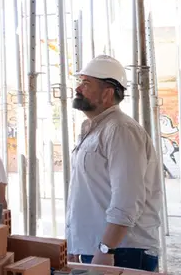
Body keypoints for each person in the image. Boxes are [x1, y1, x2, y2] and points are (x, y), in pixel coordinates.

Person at [66, 55, 162, 271]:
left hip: (123, 251)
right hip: (100, 249)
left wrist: (106, 249)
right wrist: (75, 243)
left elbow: (128, 198)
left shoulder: (121, 130)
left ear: (107, 93)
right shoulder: (95, 129)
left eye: (86, 83)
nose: (78, 89)